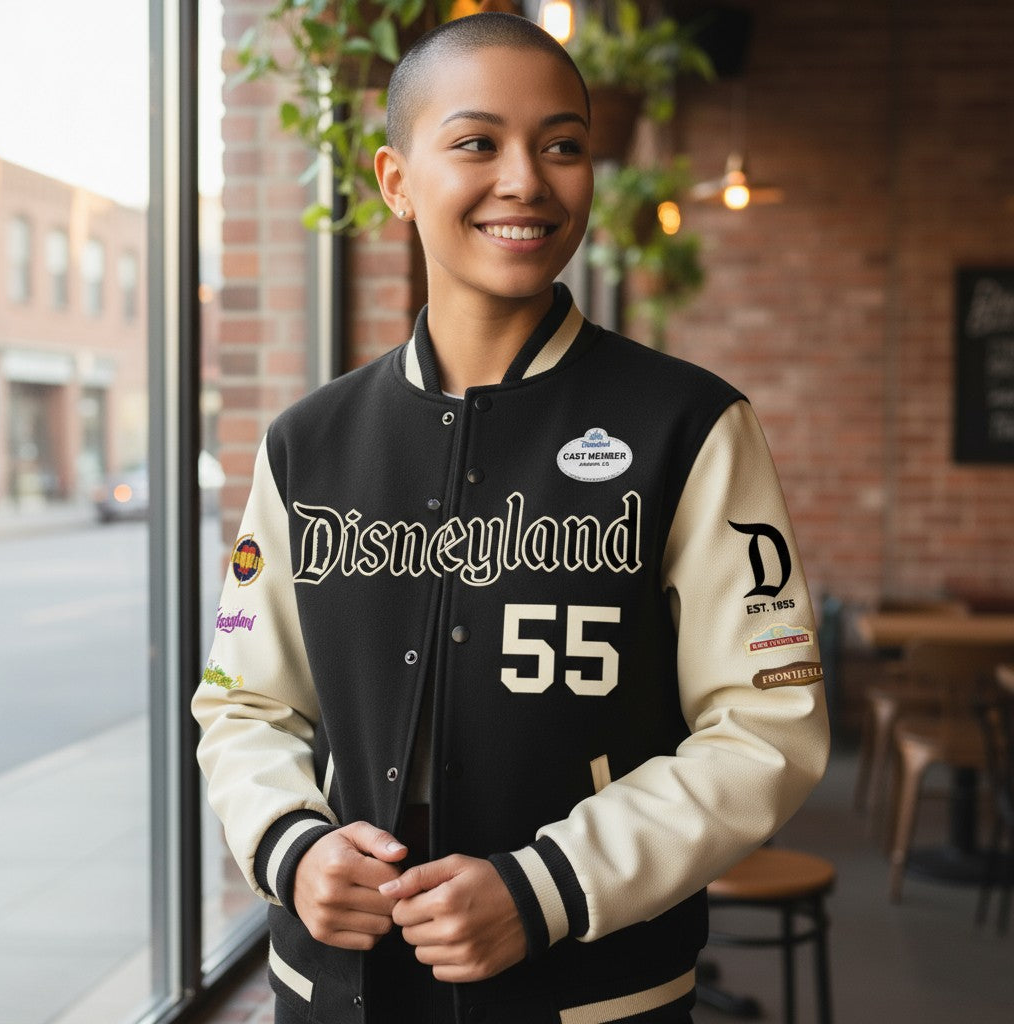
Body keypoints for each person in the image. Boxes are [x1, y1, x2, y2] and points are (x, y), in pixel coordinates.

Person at [192, 12, 830, 1024]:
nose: (526, 179)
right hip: (339, 985)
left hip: (590, 992)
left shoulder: (691, 427)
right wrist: (292, 846)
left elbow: (766, 725)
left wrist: (546, 888)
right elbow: (241, 701)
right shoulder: (308, 443)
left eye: (562, 145)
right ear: (396, 180)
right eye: (477, 143)